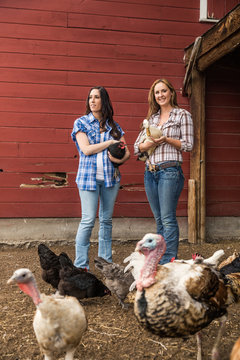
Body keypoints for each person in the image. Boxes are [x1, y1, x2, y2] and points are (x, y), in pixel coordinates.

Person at [134, 79, 194, 264]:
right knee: (159, 220)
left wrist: (166, 139)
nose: (160, 95)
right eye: (156, 93)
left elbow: (189, 145)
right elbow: (137, 147)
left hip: (169, 171)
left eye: (163, 91)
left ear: (171, 93)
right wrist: (150, 143)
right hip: (150, 172)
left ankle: (169, 261)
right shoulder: (151, 119)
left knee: (168, 219)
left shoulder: (182, 115)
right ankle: (159, 258)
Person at [71, 86, 130, 270]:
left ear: (104, 101)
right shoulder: (81, 123)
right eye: (90, 97)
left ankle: (105, 263)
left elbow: (127, 152)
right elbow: (86, 149)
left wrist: (118, 159)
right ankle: (81, 265)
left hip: (110, 178)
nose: (92, 100)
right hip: (88, 179)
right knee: (88, 220)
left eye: (96, 97)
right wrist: (110, 143)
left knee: (106, 220)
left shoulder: (114, 126)